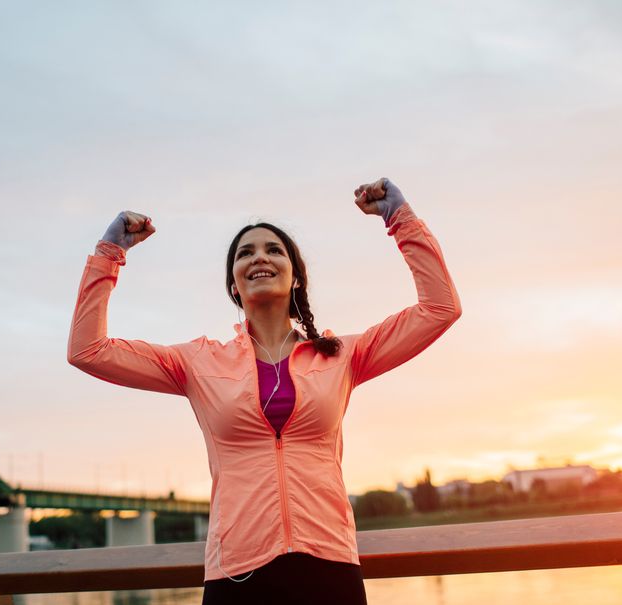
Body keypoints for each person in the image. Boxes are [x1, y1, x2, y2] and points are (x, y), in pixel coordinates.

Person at [68, 177, 462, 604]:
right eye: (245, 253)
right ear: (235, 286)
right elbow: (88, 350)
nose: (260, 257)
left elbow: (440, 307)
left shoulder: (343, 355)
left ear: (296, 279)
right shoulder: (196, 363)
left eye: (274, 250)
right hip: (237, 575)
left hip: (330, 567)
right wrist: (110, 254)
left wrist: (399, 219)